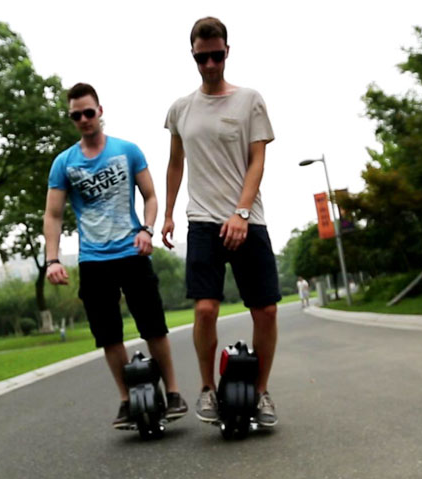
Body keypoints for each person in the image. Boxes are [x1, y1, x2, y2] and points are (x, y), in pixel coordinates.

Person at [44, 82, 187, 429]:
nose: (83, 119)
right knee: (108, 335)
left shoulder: (127, 150)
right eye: (76, 115)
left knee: (154, 326)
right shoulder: (64, 163)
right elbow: (53, 214)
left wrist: (147, 230)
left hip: (132, 252)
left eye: (88, 112)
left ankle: (173, 392)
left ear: (100, 111)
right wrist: (52, 259)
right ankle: (126, 399)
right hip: (93, 261)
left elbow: (150, 196)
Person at [162, 17, 280, 427]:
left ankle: (261, 392)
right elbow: (175, 164)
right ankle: (207, 389)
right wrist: (168, 214)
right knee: (205, 309)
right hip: (202, 221)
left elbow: (258, 160)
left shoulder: (250, 100)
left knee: (266, 310)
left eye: (216, 55)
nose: (210, 64)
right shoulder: (181, 109)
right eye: (202, 57)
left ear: (227, 52)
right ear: (192, 55)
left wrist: (242, 212)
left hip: (248, 220)